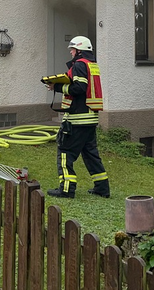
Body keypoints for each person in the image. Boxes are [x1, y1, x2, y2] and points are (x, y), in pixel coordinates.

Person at [45, 36, 110, 199]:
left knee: (65, 151)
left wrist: (57, 86)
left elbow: (80, 88)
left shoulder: (80, 65)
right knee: (90, 154)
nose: (71, 52)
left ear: (79, 50)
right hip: (89, 119)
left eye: (72, 49)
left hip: (77, 119)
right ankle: (102, 188)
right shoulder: (91, 65)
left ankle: (66, 189)